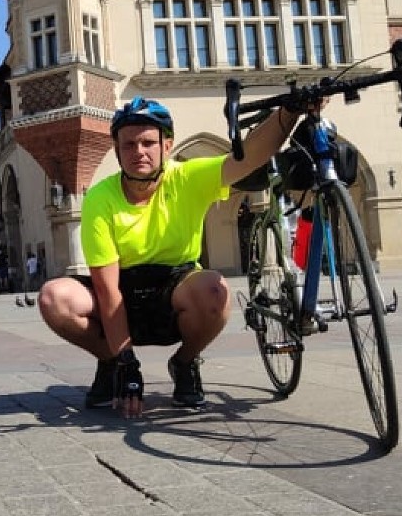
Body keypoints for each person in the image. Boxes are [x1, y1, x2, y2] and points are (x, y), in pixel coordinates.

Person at [38, 95, 305, 417]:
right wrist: (128, 365)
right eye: (129, 144)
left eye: (148, 143)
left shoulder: (187, 178)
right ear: (117, 149)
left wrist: (289, 113)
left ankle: (184, 362)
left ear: (167, 146)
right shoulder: (100, 197)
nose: (139, 152)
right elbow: (108, 291)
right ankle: (110, 362)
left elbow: (247, 158)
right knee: (55, 297)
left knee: (214, 290)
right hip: (122, 290)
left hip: (174, 286)